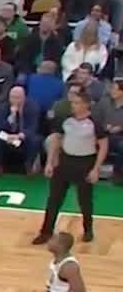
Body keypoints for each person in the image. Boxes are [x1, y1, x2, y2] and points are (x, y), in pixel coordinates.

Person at [34, 92, 106, 244]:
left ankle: (88, 230)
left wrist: (96, 169)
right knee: (54, 199)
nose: (73, 105)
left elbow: (104, 145)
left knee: (85, 200)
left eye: (77, 103)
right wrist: (50, 162)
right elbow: (57, 139)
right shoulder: (66, 120)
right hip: (65, 161)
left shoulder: (94, 123)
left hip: (85, 163)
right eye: (73, 103)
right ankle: (46, 232)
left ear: (86, 105)